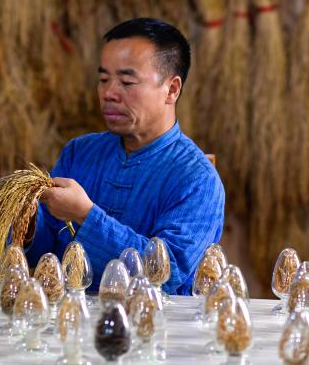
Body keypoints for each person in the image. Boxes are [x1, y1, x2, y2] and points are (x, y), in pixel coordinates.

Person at [24, 18, 225, 294]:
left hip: (155, 328)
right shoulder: (79, 153)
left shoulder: (197, 179)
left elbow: (168, 274)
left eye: (127, 82)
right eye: (103, 79)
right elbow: (41, 256)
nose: (109, 93)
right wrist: (27, 218)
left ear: (172, 89)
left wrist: (86, 215)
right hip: (72, 320)